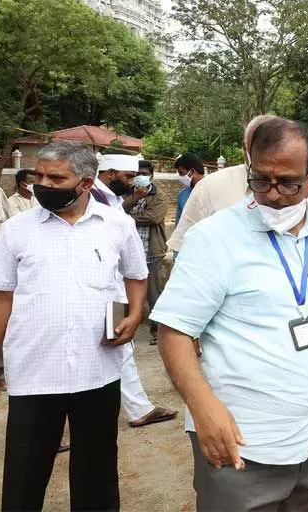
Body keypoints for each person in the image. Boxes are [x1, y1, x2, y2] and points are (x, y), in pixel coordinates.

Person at [151, 118, 308, 511]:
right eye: (261, 180)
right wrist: (203, 409)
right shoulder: (214, 237)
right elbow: (173, 332)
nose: (272, 195)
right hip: (241, 438)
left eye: (288, 183)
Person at [0, 141, 149, 511]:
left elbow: (136, 276)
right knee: (24, 477)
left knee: (96, 475)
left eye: (56, 177)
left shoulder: (118, 225)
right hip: (34, 373)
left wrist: (134, 314)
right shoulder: (16, 229)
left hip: (98, 372)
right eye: (39, 176)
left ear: (85, 183)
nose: (42, 184)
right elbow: (1, 297)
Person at [94, 153, 178, 429]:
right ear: (110, 173)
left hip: (114, 285)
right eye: (128, 177)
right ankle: (51, 426)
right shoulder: (92, 198)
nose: (132, 183)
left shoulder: (112, 199)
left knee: (121, 347)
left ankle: (139, 408)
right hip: (97, 286)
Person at [167, 115, 308, 253]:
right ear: (246, 149)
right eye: (259, 147)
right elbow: (183, 248)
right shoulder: (209, 188)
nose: (273, 195)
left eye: (287, 182)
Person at [123, 160, 168, 345]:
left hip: (151, 250)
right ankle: (127, 329)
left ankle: (157, 330)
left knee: (153, 293)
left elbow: (153, 217)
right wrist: (134, 197)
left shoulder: (159, 196)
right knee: (126, 292)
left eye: (143, 173)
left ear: (150, 176)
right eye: (136, 173)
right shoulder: (128, 194)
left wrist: (126, 219)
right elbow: (120, 210)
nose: (139, 176)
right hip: (129, 251)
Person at [174, 153, 206, 227]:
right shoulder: (182, 195)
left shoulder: (213, 191)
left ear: (191, 172)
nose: (180, 177)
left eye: (181, 173)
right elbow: (179, 225)